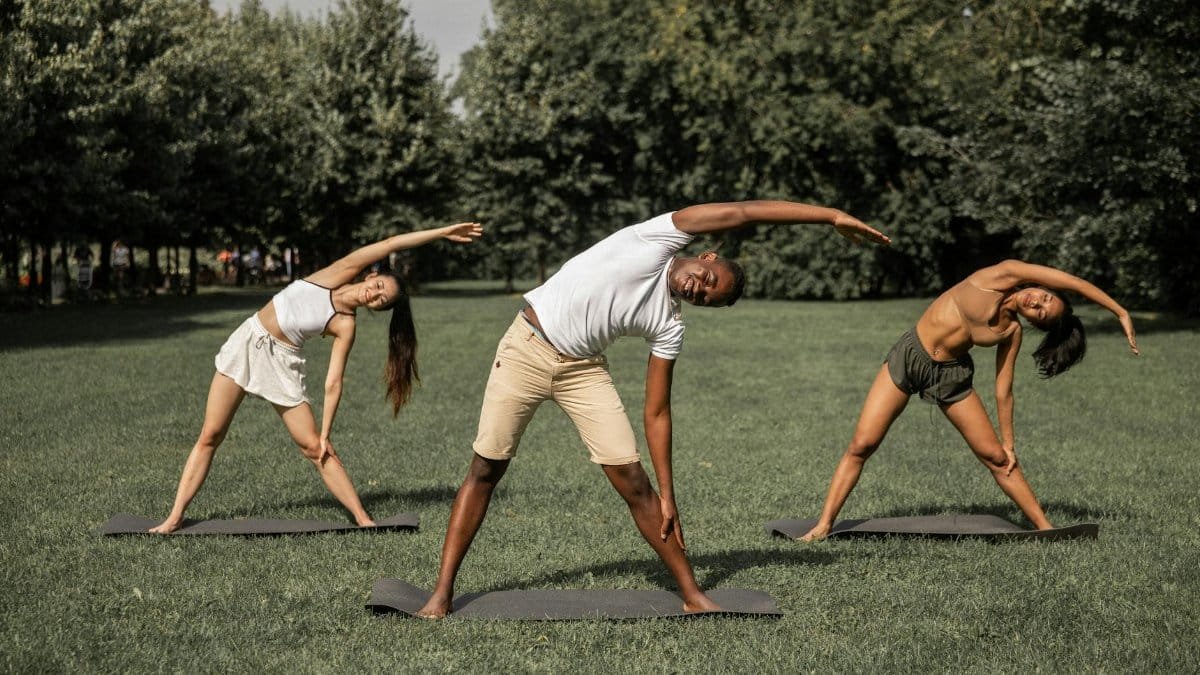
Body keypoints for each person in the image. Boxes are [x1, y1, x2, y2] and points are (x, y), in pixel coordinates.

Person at [416, 201, 891, 617]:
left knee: (638, 486)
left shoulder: (669, 324)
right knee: (485, 469)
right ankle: (441, 594)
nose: (699, 289)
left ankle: (691, 594)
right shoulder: (658, 237)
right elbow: (745, 211)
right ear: (706, 256)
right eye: (708, 279)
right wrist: (829, 216)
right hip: (525, 348)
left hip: (583, 370)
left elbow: (657, 411)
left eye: (707, 297)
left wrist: (670, 492)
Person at [150, 222, 483, 534]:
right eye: (379, 286)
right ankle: (175, 516)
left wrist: (325, 432)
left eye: (382, 300)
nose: (375, 295)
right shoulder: (337, 273)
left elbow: (334, 381)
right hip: (247, 342)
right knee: (210, 434)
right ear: (370, 275)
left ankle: (363, 519)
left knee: (315, 447)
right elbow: (390, 243)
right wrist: (443, 232)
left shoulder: (345, 324)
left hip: (281, 363)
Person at [799, 260, 1140, 541]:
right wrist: (1119, 311)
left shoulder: (1011, 331)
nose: (1038, 305)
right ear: (1041, 287)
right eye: (1046, 299)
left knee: (996, 457)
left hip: (950, 375)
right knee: (862, 444)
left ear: (1035, 324)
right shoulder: (1003, 275)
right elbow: (1071, 279)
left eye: (1043, 315)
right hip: (911, 355)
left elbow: (1003, 389)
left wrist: (1009, 443)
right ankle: (824, 524)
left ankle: (1045, 529)